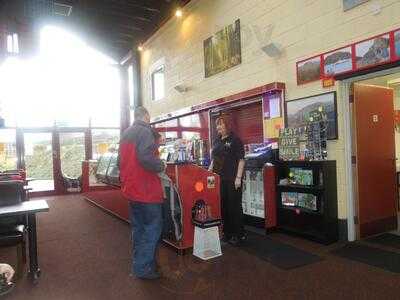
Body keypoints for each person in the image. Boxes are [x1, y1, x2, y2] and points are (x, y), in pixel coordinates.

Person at [119, 106, 165, 280]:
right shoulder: (145, 132)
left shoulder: (126, 134)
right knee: (153, 228)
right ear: (146, 116)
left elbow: (120, 161)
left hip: (131, 190)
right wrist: (161, 165)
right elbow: (145, 157)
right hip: (146, 190)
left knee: (138, 229)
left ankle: (142, 262)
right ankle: (143, 268)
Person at [209, 115, 245, 246]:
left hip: (233, 179)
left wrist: (238, 178)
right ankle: (227, 233)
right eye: (217, 125)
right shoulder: (216, 141)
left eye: (221, 124)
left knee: (234, 206)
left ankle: (238, 234)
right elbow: (214, 160)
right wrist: (208, 174)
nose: (218, 127)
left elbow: (241, 159)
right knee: (223, 207)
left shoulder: (235, 140)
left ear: (227, 125)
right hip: (220, 179)